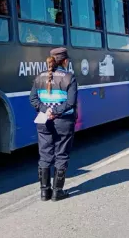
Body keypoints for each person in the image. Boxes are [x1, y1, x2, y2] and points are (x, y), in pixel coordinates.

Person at [29, 47, 78, 201]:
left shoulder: (39, 77)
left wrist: (47, 110)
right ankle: (57, 192)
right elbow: (70, 103)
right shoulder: (70, 77)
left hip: (44, 122)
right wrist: (56, 111)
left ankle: (44, 192)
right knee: (61, 154)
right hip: (64, 122)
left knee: (44, 155)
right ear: (65, 60)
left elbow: (33, 99)